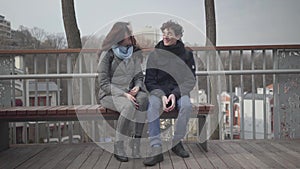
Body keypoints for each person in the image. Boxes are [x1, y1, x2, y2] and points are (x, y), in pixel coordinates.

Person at [143, 20, 196, 166]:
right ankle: (156, 148)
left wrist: (175, 94)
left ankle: (177, 143)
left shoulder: (187, 54)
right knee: (152, 105)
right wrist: (162, 95)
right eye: (164, 33)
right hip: (158, 93)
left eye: (170, 34)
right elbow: (149, 80)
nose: (165, 37)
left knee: (186, 106)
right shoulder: (155, 54)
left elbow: (190, 80)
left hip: (178, 92)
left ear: (178, 36)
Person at [97, 22, 148, 162]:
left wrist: (137, 86)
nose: (131, 37)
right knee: (128, 106)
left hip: (131, 92)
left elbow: (139, 76)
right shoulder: (107, 55)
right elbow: (103, 84)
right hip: (110, 94)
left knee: (144, 99)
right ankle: (119, 146)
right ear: (119, 36)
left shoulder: (132, 52)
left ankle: (136, 143)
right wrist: (124, 94)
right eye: (128, 35)